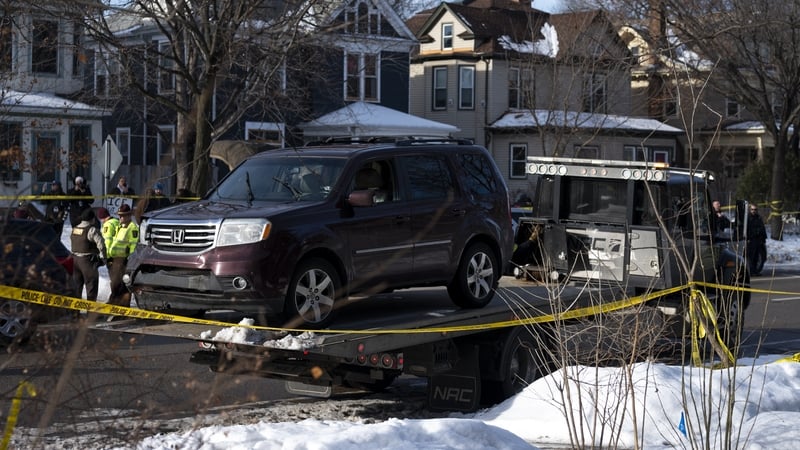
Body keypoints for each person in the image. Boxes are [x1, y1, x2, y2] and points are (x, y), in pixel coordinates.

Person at [106, 203, 139, 309]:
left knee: (123, 286)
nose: (120, 218)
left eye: (123, 215)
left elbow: (133, 246)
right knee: (115, 284)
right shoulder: (119, 226)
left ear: (129, 216)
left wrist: (129, 261)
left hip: (123, 261)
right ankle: (115, 304)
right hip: (114, 260)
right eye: (119, 215)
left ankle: (124, 307)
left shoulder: (132, 228)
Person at [70, 207, 106, 301]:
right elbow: (101, 244)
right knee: (91, 287)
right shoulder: (91, 230)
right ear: (92, 219)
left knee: (77, 288)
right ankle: (90, 313)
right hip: (87, 262)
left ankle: (75, 313)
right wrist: (103, 257)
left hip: (74, 261)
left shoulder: (75, 229)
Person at [746, 203, 767, 275]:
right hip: (751, 240)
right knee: (751, 257)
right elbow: (747, 229)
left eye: (755, 209)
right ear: (749, 210)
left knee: (756, 257)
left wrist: (763, 239)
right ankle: (751, 271)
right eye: (752, 209)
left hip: (758, 240)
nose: (753, 211)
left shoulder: (758, 218)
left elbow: (762, 228)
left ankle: (755, 271)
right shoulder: (748, 218)